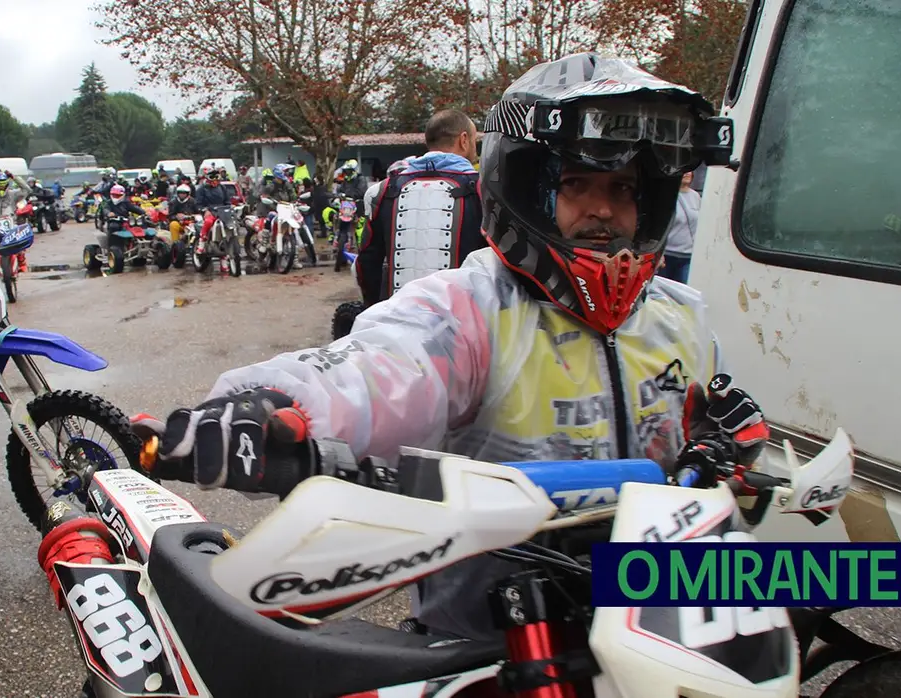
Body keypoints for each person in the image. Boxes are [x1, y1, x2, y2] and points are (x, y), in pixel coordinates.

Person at [132, 53, 749, 645]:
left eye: (622, 188)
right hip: (498, 641)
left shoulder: (681, 317)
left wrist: (739, 446)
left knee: (831, 578)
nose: (603, 210)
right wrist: (264, 405)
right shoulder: (474, 307)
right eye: (576, 184)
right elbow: (380, 366)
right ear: (528, 189)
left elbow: (716, 457)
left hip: (659, 618)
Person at [357, 109, 485, 307]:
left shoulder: (382, 191)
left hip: (399, 319)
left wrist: (374, 310)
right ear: (464, 139)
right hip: (464, 326)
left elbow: (367, 263)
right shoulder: (484, 190)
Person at [656, 170, 700, 284]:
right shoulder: (668, 196)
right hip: (667, 255)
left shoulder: (696, 196)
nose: (687, 173)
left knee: (684, 292)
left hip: (688, 256)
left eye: (690, 171)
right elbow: (659, 226)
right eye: (684, 171)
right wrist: (659, 253)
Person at [193, 168, 232, 243]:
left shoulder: (222, 188)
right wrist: (205, 210)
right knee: (208, 222)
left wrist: (230, 206)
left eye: (216, 176)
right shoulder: (201, 189)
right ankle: (202, 242)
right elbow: (198, 204)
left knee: (234, 223)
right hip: (209, 211)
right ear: (207, 178)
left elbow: (227, 201)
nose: (214, 179)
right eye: (212, 177)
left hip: (222, 212)